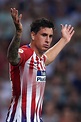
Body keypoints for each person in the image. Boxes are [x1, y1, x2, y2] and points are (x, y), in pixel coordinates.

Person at [6, 8, 75, 122]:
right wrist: (18, 33)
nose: (48, 40)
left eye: (50, 36)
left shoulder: (40, 60)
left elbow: (47, 58)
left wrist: (64, 40)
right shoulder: (26, 53)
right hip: (19, 119)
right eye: (44, 35)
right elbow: (12, 57)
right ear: (33, 35)